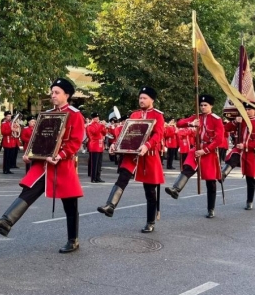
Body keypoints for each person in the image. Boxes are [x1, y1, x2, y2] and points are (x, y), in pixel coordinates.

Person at [0, 78, 84, 253]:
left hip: (62, 164)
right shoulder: (47, 114)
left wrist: (60, 155)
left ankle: (73, 239)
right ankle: (6, 221)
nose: (52, 95)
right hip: (43, 164)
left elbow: (75, 142)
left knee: (70, 204)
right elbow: (38, 138)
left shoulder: (75, 115)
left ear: (66, 95)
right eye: (52, 92)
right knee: (29, 189)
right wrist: (29, 153)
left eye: (56, 92)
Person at [97, 87, 165, 233]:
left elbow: (158, 135)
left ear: (152, 100)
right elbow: (125, 132)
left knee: (150, 191)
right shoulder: (134, 114)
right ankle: (110, 205)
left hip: (149, 155)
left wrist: (147, 145)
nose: (141, 100)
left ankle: (150, 221)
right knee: (123, 176)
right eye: (140, 98)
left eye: (145, 98)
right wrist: (115, 144)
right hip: (132, 154)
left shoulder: (158, 115)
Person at [165, 95, 225, 218]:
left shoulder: (216, 119)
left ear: (211, 106)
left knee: (210, 182)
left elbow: (219, 139)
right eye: (201, 105)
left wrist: (206, 150)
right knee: (188, 167)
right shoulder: (196, 117)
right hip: (197, 148)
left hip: (209, 151)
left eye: (205, 105)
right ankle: (176, 189)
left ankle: (211, 208)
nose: (202, 107)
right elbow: (180, 123)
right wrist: (191, 123)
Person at [220, 103, 255, 210]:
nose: (247, 111)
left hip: (250, 151)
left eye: (250, 109)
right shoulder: (241, 120)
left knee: (250, 178)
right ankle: (223, 174)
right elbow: (225, 128)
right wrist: (236, 121)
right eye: (246, 109)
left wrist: (246, 145)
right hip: (239, 149)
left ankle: (249, 201)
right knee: (233, 156)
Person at [86, 112, 106, 183]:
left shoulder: (99, 124)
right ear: (93, 118)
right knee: (94, 163)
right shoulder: (90, 126)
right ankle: (93, 178)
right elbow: (95, 132)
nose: (97, 118)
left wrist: (104, 126)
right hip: (94, 146)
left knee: (99, 163)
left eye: (98, 117)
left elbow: (104, 133)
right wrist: (101, 126)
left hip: (100, 146)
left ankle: (98, 177)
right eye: (95, 117)